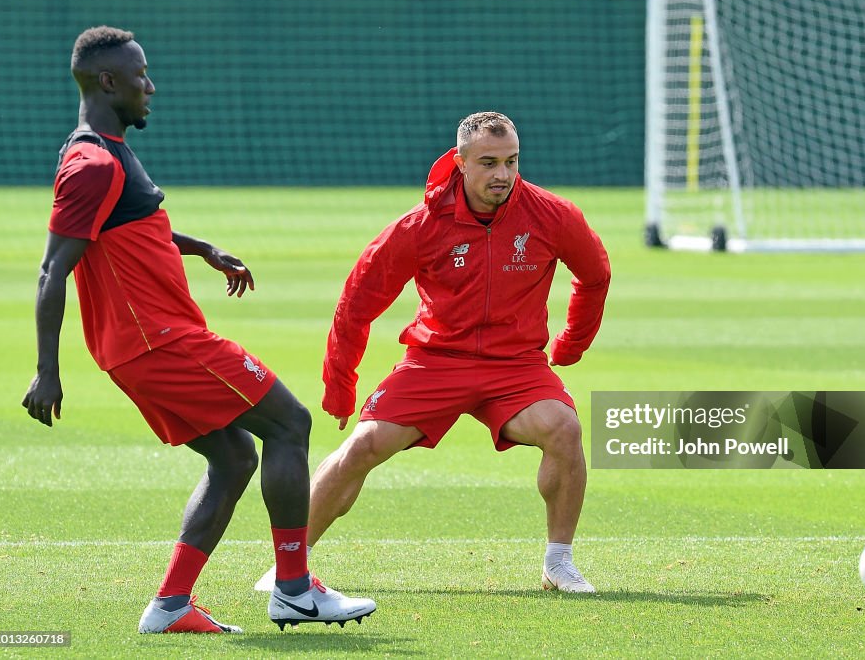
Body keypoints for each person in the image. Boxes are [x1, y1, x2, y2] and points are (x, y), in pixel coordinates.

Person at [20, 26, 376, 634]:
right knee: (290, 424)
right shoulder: (93, 162)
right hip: (158, 342)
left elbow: (132, 227)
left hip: (149, 342)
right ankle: (293, 589)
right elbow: (54, 269)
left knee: (234, 456)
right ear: (109, 82)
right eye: (140, 75)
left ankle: (170, 606)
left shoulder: (101, 151)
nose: (150, 86)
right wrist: (47, 371)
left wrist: (203, 247)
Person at [255, 111, 610, 594]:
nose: (503, 175)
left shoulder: (552, 214)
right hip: (435, 362)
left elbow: (595, 275)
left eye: (511, 161)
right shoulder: (420, 224)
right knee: (361, 447)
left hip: (516, 365)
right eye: (489, 163)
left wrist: (571, 344)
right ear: (461, 162)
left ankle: (559, 562)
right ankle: (291, 565)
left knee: (564, 428)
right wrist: (340, 387)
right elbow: (356, 303)